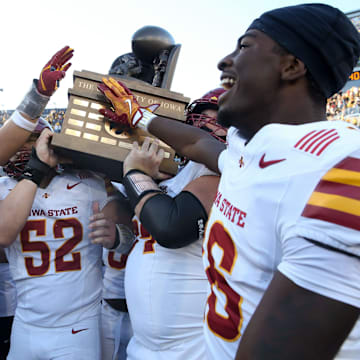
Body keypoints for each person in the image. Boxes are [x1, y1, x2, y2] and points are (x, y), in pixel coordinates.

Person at [98, 4, 360, 359]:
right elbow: (197, 143)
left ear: (292, 65)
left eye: (245, 46)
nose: (225, 60)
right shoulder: (251, 147)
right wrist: (139, 115)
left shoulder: (341, 164)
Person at [98, 84, 226, 359]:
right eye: (205, 117)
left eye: (220, 119)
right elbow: (150, 239)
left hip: (193, 345)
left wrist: (135, 173)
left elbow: (171, 228)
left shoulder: (226, 174)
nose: (213, 127)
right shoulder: (180, 173)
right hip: (144, 343)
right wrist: (122, 238)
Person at [0, 119, 124, 359]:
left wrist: (119, 236)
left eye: (32, 140)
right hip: (25, 323)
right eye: (18, 142)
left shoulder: (86, 182)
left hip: (77, 328)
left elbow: (129, 229)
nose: (23, 149)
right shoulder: (3, 188)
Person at [0, 46, 73, 166]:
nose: (20, 145)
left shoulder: (76, 181)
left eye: (31, 139)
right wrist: (38, 96)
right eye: (20, 139)